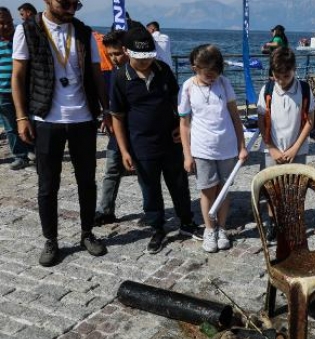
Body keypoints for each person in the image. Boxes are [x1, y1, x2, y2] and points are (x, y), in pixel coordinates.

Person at [12, 0, 110, 267]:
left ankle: (87, 233)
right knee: (47, 185)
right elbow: (18, 76)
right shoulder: (27, 31)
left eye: (75, 4)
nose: (70, 9)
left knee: (87, 181)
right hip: (45, 119)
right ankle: (51, 239)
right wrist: (21, 117)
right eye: (65, 3)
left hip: (83, 118)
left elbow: (96, 74)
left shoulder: (83, 31)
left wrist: (106, 110)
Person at [111, 28, 198, 254]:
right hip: (142, 145)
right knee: (150, 188)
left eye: (149, 56)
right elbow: (118, 118)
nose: (146, 61)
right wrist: (124, 151)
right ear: (126, 52)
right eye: (140, 58)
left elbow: (179, 104)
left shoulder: (163, 69)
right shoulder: (121, 77)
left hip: (170, 142)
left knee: (178, 183)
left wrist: (182, 129)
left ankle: (186, 220)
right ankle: (157, 228)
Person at [178, 44, 248, 253]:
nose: (212, 77)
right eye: (208, 73)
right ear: (195, 67)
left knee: (224, 190)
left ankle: (223, 228)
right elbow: (184, 124)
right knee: (207, 190)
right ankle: (209, 228)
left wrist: (241, 146)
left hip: (226, 148)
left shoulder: (224, 84)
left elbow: (236, 118)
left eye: (215, 73)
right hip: (202, 149)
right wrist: (187, 154)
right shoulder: (188, 87)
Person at [256, 46, 314, 241]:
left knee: (294, 188)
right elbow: (261, 121)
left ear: (294, 70)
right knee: (272, 189)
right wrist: (271, 147)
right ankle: (273, 222)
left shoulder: (304, 89)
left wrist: (296, 147)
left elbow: (309, 121)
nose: (281, 81)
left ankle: (292, 222)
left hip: (297, 149)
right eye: (277, 76)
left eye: (286, 76)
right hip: (272, 150)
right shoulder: (268, 89)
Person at [94, 30, 130, 226]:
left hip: (139, 133)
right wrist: (106, 115)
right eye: (110, 55)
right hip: (117, 132)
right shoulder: (113, 73)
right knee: (112, 170)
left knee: (147, 174)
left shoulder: (140, 72)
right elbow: (110, 101)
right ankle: (106, 210)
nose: (114, 59)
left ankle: (155, 214)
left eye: (117, 54)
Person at [1, 7, 34, 170]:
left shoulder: (20, 38)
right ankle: (20, 156)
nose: (6, 26)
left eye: (9, 22)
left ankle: (33, 149)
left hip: (23, 90)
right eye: (1, 23)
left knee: (30, 120)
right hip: (3, 93)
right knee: (10, 126)